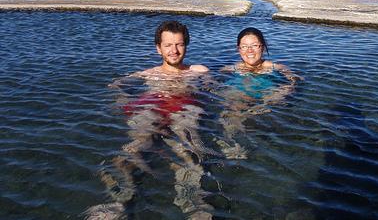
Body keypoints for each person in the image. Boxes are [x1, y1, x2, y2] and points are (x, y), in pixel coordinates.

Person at [85, 20, 214, 220]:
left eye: (179, 44)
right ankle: (120, 201)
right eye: (168, 45)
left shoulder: (198, 71)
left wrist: (206, 90)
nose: (174, 50)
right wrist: (122, 99)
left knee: (190, 148)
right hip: (152, 107)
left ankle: (193, 204)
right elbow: (116, 84)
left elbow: (210, 88)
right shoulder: (149, 74)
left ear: (186, 45)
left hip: (184, 109)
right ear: (158, 49)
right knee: (134, 148)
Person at [217, 27, 298, 159]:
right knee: (233, 108)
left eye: (254, 45)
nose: (249, 50)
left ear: (263, 47)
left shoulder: (276, 67)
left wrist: (287, 89)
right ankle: (232, 143)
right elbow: (213, 83)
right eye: (244, 46)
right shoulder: (229, 69)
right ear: (239, 49)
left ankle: (246, 138)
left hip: (266, 99)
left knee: (264, 106)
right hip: (238, 98)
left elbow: (295, 81)